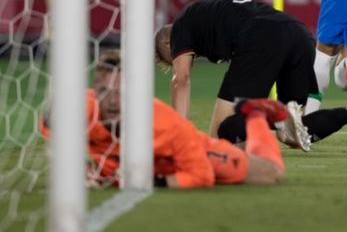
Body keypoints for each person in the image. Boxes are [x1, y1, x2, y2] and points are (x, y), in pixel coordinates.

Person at [154, 0, 347, 152]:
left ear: (168, 45)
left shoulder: (181, 26)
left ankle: (277, 114)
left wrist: (180, 133)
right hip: (297, 33)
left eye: (171, 59)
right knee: (290, 136)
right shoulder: (210, 12)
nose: (181, 61)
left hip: (260, 37)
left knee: (221, 136)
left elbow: (181, 81)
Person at [40, 50, 285, 188]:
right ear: (95, 91)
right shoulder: (81, 110)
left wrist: (150, 181)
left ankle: (256, 115)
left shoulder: (164, 124)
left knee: (269, 174)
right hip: (142, 168)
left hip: (191, 155)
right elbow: (48, 127)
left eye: (120, 93)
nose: (112, 101)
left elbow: (201, 175)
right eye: (105, 93)